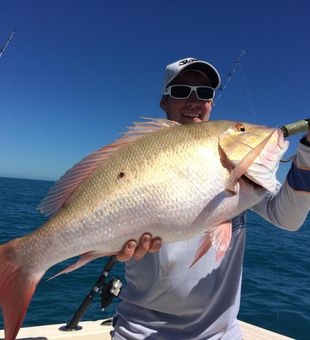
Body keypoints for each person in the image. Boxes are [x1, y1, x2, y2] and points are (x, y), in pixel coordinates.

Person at [111, 58, 310, 339]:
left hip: (220, 334)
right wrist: (110, 245)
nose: (194, 101)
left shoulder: (238, 170)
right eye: (181, 92)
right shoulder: (138, 159)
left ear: (212, 104)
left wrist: (309, 152)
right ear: (164, 102)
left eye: (204, 94)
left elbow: (287, 217)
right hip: (140, 332)